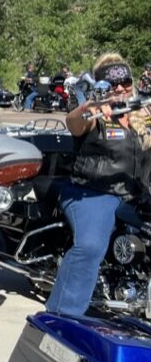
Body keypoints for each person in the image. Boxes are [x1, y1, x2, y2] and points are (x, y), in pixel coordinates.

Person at [45, 54, 151, 317]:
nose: (120, 88)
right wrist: (90, 106)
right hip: (91, 193)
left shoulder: (144, 114)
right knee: (90, 246)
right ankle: (62, 316)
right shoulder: (95, 114)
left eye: (125, 82)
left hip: (135, 195)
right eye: (112, 84)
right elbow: (74, 123)